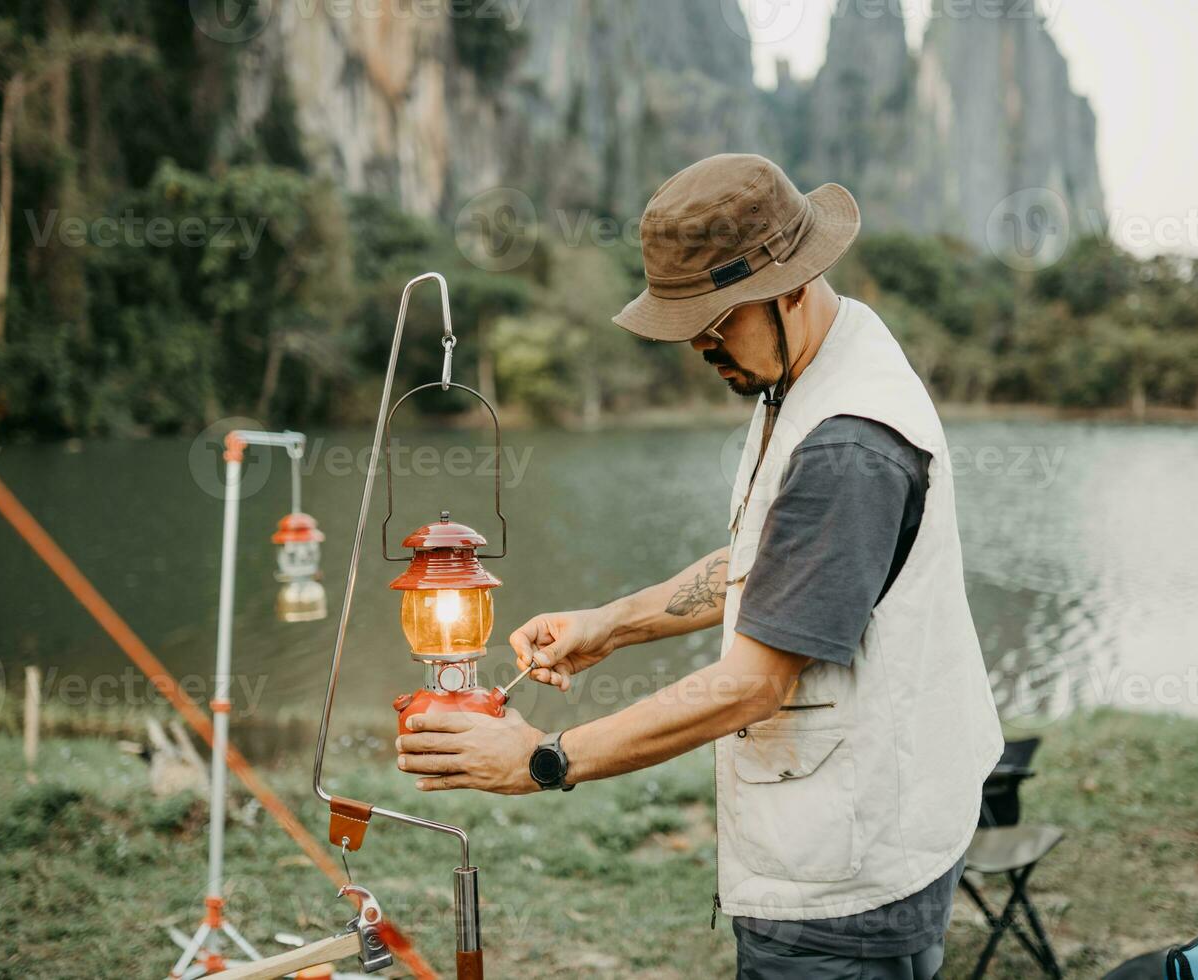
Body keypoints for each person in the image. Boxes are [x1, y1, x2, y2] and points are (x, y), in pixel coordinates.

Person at [395, 154, 1003, 979]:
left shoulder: (848, 445)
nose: (703, 347)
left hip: (848, 880)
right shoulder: (813, 362)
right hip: (860, 831)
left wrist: (543, 759)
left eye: (717, 322)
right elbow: (775, 561)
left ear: (792, 283)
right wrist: (610, 625)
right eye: (688, 329)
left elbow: (755, 684)